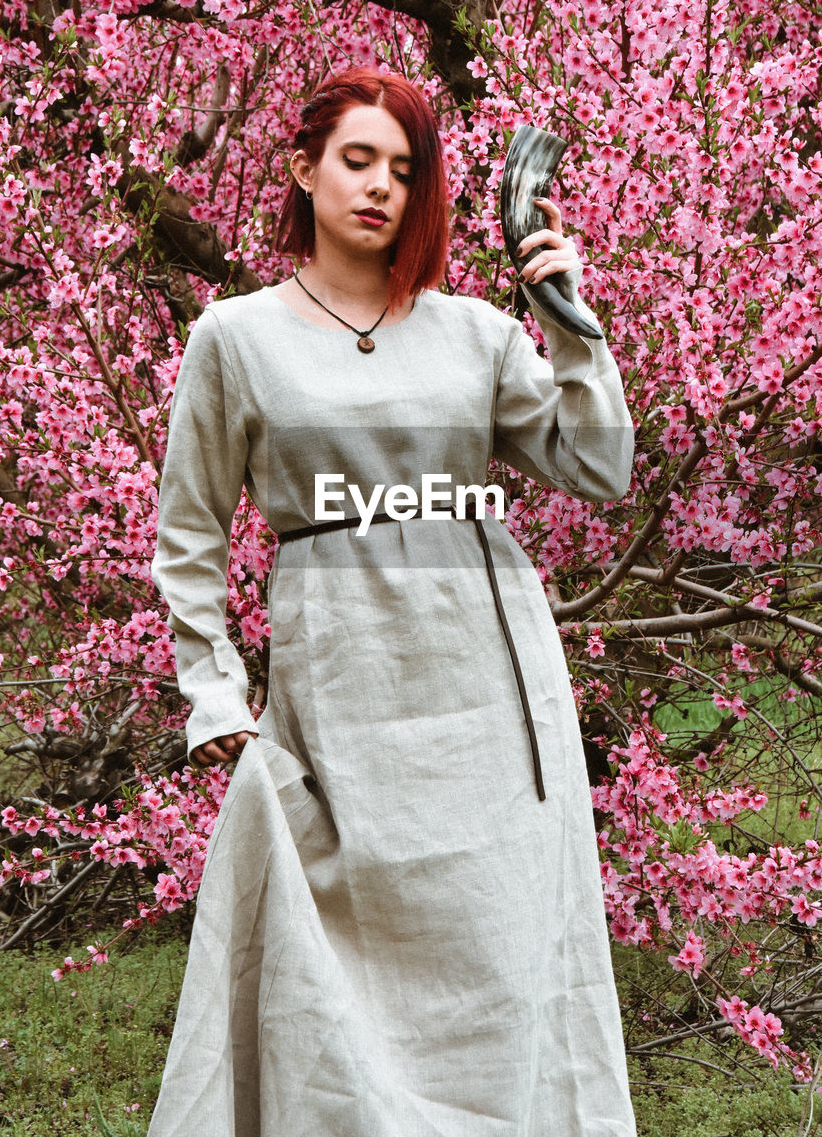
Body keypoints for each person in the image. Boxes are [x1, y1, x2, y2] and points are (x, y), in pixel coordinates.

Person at [147, 67, 637, 1137]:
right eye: (357, 160)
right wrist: (219, 704)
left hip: (493, 705)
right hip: (341, 696)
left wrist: (566, 313)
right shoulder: (235, 337)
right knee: (337, 986)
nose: (379, 187)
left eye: (405, 171)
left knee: (503, 972)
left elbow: (599, 467)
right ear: (302, 169)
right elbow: (187, 534)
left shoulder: (473, 333)